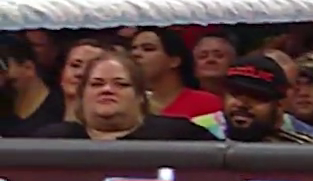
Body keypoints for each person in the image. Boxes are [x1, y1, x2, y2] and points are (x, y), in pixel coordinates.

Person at [37, 48, 214, 142]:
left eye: (121, 84)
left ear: (140, 95)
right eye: (97, 84)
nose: (107, 90)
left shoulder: (179, 134)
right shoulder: (53, 139)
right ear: (82, 95)